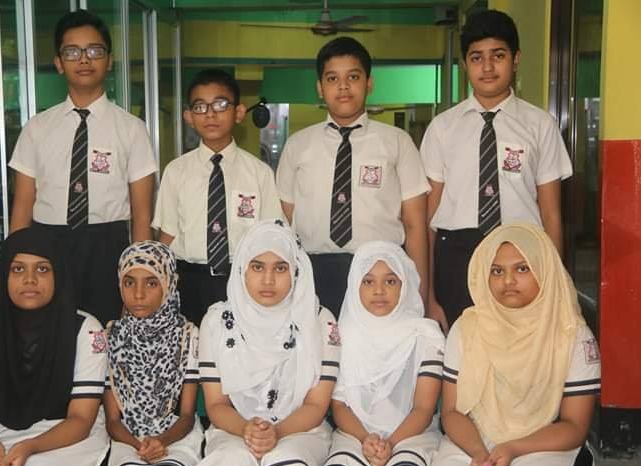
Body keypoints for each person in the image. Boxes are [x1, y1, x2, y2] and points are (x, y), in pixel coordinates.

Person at [421, 9, 572, 331]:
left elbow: (552, 215)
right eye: (477, 58)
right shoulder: (442, 128)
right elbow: (429, 219)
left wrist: (556, 285)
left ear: (516, 59)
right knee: (463, 349)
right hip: (457, 255)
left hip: (522, 255)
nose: (487, 67)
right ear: (465, 64)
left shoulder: (540, 125)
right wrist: (429, 295)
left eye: (498, 56)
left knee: (520, 346)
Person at [9, 9, 157, 325]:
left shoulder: (132, 129)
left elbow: (142, 214)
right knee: (48, 334)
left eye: (94, 51)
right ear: (59, 63)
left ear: (109, 60)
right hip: (47, 247)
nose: (84, 59)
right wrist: (16, 267)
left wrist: (138, 272)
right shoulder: (37, 128)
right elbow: (21, 208)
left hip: (108, 247)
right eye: (72, 52)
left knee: (105, 334)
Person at [427, 224, 600, 466]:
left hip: (544, 445)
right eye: (497, 271)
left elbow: (574, 427)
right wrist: (479, 453)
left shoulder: (572, 334)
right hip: (473, 440)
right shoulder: (467, 328)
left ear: (545, 270)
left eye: (522, 268)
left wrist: (512, 448)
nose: (508, 280)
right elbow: (451, 412)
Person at [277, 36, 430, 318]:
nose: (343, 86)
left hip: (381, 275)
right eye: (332, 78)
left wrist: (420, 295)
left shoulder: (397, 142)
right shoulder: (298, 145)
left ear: (369, 83)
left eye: (353, 77)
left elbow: (415, 224)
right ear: (320, 88)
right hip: (314, 274)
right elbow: (283, 223)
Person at [0, 227, 108, 466]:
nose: (30, 279)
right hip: (1, 435)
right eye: (17, 269)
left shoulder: (86, 329)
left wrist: (28, 448)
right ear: (3, 275)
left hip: (67, 437)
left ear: (59, 274)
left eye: (42, 269)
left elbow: (80, 419)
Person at [192, 220, 339, 466]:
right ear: (242, 269)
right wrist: (247, 430)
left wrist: (277, 432)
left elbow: (316, 405)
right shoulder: (216, 323)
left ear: (295, 271)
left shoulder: (319, 321)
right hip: (233, 431)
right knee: (230, 465)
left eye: (280, 268)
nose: (268, 280)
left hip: (302, 432)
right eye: (257, 267)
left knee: (287, 464)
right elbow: (216, 404)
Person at [153, 69, 282, 326]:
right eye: (200, 107)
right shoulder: (176, 171)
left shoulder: (259, 173)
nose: (210, 114)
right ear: (188, 117)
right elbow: (167, 236)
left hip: (242, 281)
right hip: (189, 281)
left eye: (220, 104)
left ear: (239, 112)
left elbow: (271, 238)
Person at [322, 241, 445, 466]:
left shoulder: (425, 335)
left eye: (390, 281)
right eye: (368, 281)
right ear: (355, 285)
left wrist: (390, 443)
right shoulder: (343, 335)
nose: (379, 291)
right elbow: (339, 406)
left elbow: (423, 408)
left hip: (411, 435)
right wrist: (365, 439)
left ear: (405, 284)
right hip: (354, 434)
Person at [104, 241, 203, 466]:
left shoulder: (187, 335)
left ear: (168, 284)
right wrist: (139, 446)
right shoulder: (111, 336)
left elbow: (186, 415)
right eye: (129, 283)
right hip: (126, 439)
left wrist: (160, 441)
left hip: (176, 436)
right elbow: (113, 420)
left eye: (151, 283)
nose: (138, 294)